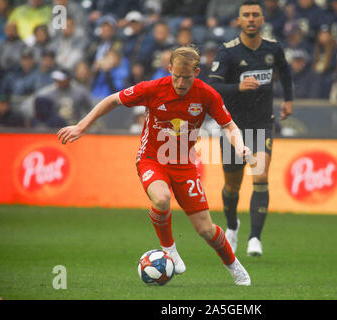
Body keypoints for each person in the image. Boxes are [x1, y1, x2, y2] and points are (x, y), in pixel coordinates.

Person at [57, 46, 252, 286]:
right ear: (169, 69)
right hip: (152, 158)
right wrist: (81, 126)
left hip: (183, 164)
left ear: (197, 72)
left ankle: (234, 267)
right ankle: (169, 249)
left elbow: (230, 126)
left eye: (187, 77)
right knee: (161, 199)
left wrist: (241, 146)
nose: (181, 82)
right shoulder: (153, 88)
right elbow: (112, 100)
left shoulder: (207, 94)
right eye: (177, 76)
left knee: (206, 229)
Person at [208, 0, 293, 257]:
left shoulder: (273, 49)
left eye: (256, 14)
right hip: (232, 127)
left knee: (261, 177)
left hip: (262, 123)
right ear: (239, 21)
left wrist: (288, 99)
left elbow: (285, 71)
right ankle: (232, 227)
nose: (251, 19)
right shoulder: (228, 52)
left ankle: (255, 238)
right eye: (246, 15)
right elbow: (212, 88)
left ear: (263, 19)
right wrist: (238, 88)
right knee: (232, 187)